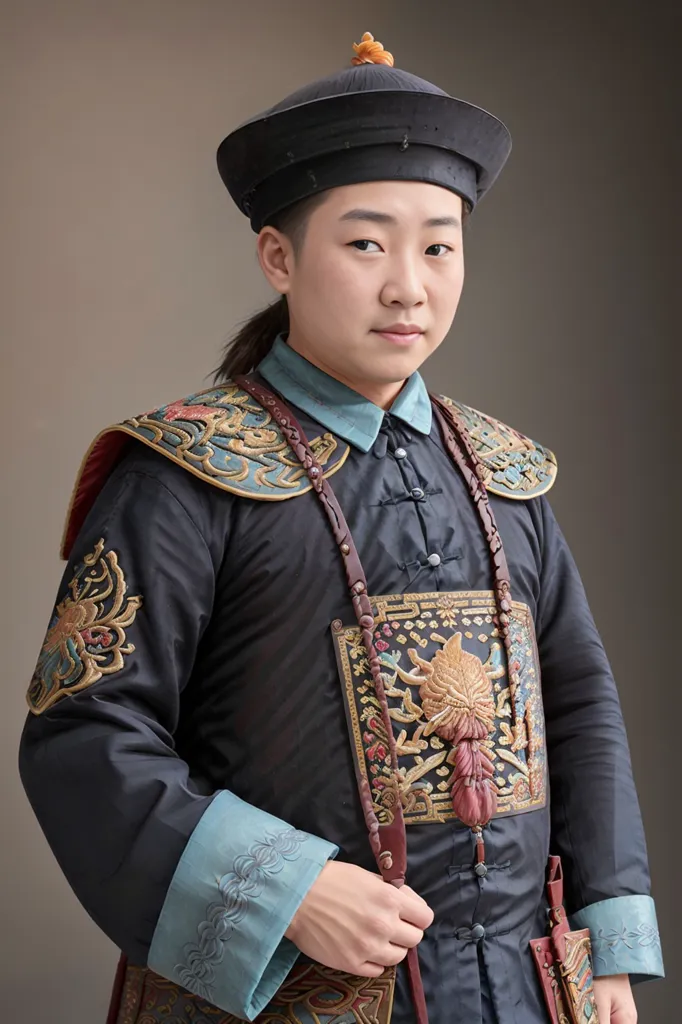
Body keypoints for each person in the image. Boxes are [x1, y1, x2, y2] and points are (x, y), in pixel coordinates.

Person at [19, 29, 663, 1024]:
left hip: (524, 997)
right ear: (278, 255)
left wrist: (606, 945)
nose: (408, 284)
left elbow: (576, 699)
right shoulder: (186, 475)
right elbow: (84, 731)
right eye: (366, 243)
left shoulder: (505, 476)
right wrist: (287, 888)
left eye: (438, 245)